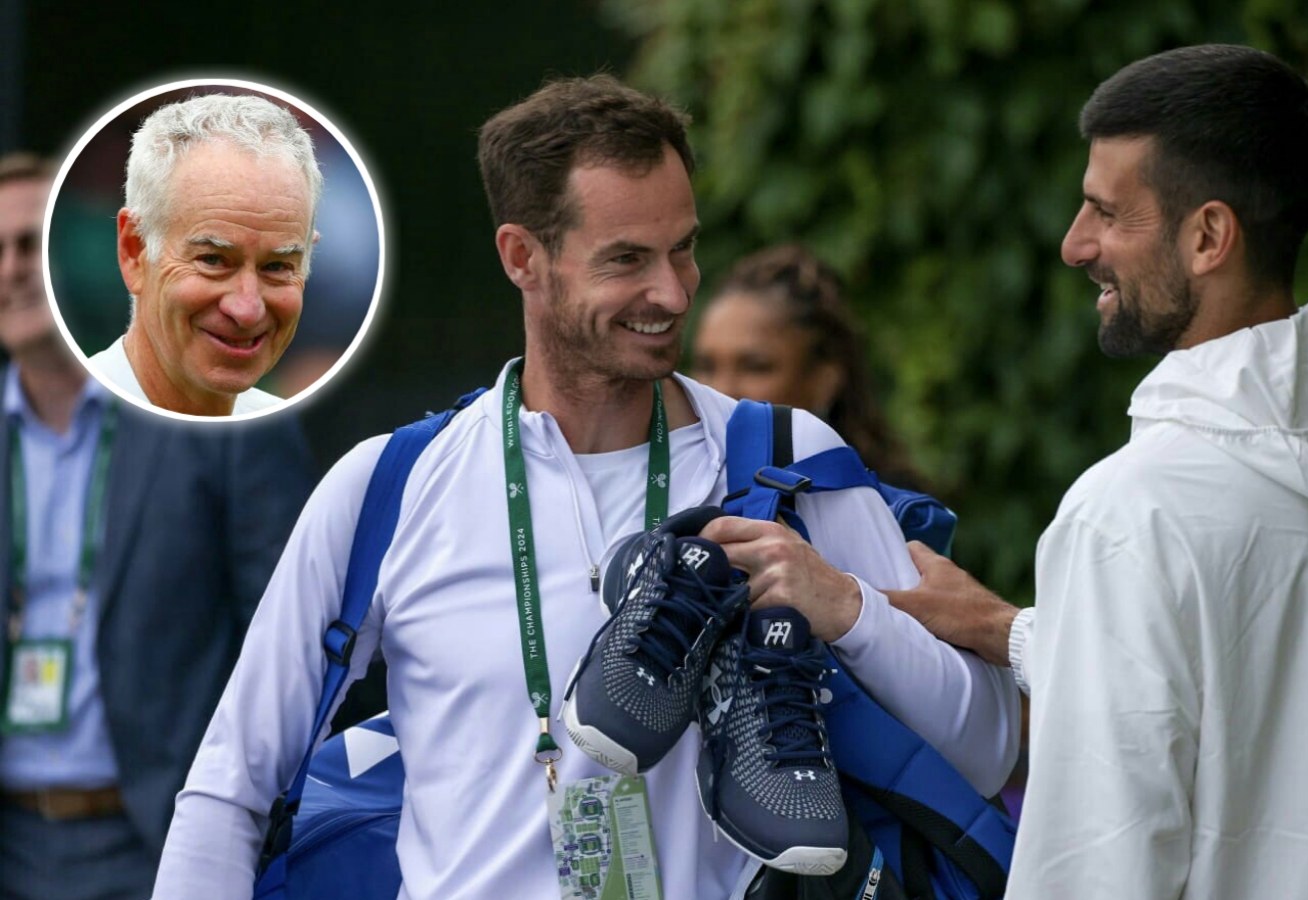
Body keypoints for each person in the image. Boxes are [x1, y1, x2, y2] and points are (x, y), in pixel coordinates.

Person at [152, 75, 1017, 899]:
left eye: (684, 249)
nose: (672, 292)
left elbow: (985, 752)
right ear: (523, 257)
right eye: (628, 260)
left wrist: (844, 605)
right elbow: (232, 786)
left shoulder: (785, 460)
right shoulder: (389, 486)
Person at [886, 45, 1308, 899]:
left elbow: (1097, 865)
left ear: (1207, 236)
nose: (1073, 244)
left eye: (1105, 213)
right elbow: (1278, 717)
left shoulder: (1129, 516)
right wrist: (1016, 632)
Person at [0, 152, 316, 900]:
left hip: (163, 843)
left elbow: (291, 643)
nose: (14, 269)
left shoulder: (223, 416)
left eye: (30, 243)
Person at [87, 93, 321, 417]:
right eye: (212, 260)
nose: (247, 310)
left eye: (277, 266)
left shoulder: (292, 442)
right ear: (134, 249)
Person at [692, 244, 922, 487]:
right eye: (706, 366)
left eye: (755, 367)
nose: (720, 389)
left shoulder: (891, 511)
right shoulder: (671, 487)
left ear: (824, 381)